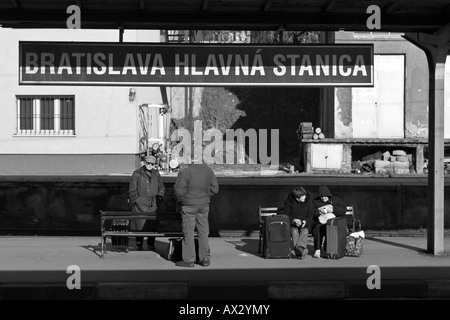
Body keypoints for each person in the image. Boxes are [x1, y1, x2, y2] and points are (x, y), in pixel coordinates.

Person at [173, 160, 219, 267]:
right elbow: (215, 188)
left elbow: (178, 189)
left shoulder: (185, 171)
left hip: (189, 205)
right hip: (203, 205)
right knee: (203, 231)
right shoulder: (208, 170)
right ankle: (205, 258)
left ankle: (189, 260)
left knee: (188, 232)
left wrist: (183, 200)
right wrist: (206, 196)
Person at [129, 155, 165, 250]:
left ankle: (151, 243)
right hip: (141, 203)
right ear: (144, 163)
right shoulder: (137, 174)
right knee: (140, 224)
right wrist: (137, 200)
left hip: (153, 203)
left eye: (152, 164)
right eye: (148, 163)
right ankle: (139, 242)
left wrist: (160, 196)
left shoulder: (156, 174)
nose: (149, 165)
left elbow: (161, 187)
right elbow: (132, 190)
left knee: (152, 225)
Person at [311, 185, 347, 258]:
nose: (323, 198)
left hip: (333, 224)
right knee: (317, 228)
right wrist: (318, 212)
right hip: (319, 223)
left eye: (325, 196)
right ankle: (317, 249)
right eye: (321, 197)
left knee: (330, 227)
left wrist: (333, 209)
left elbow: (343, 211)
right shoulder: (315, 202)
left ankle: (326, 249)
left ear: (329, 195)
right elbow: (311, 212)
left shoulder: (336, 201)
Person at [283, 186, 313, 259]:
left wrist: (305, 221)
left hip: (304, 224)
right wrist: (294, 220)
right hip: (293, 225)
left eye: (305, 195)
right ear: (297, 198)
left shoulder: (308, 202)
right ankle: (301, 251)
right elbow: (286, 215)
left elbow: (310, 214)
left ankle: (299, 250)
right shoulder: (288, 202)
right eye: (303, 196)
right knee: (294, 232)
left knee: (305, 231)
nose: (305, 197)